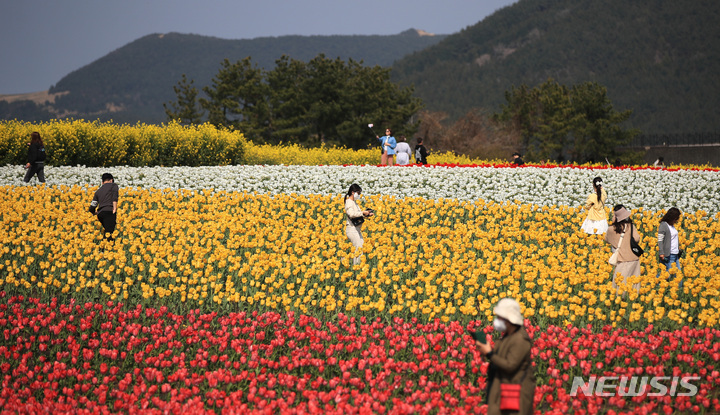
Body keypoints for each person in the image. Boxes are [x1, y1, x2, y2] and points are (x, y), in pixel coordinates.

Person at [474, 298, 535, 415]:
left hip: (515, 394)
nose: (496, 321)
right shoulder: (508, 336)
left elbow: (510, 365)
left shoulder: (520, 340)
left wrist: (490, 353)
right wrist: (485, 350)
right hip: (503, 389)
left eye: (499, 318)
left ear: (508, 320)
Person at [604, 205, 642, 295]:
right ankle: (633, 302)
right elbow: (637, 238)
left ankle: (620, 304)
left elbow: (607, 239)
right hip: (634, 259)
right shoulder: (631, 226)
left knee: (620, 285)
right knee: (634, 284)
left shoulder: (611, 230)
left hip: (622, 260)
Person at [344, 184, 373, 265]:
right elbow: (352, 214)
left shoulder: (354, 202)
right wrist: (362, 212)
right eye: (358, 193)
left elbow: (357, 215)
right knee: (358, 248)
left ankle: (358, 265)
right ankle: (356, 266)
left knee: (361, 247)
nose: (359, 195)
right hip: (352, 229)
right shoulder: (349, 202)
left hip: (356, 229)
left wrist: (366, 214)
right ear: (353, 192)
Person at [89, 173, 119, 242]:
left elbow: (92, 206)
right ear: (111, 180)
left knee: (108, 231)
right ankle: (102, 249)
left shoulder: (98, 191)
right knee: (109, 233)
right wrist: (114, 209)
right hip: (109, 212)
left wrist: (94, 212)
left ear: (102, 182)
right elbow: (115, 197)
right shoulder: (113, 186)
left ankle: (106, 248)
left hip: (100, 214)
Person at [657, 207, 683, 288]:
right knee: (667, 274)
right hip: (669, 254)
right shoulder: (664, 225)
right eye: (676, 218)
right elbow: (660, 240)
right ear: (672, 217)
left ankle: (678, 291)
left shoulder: (672, 226)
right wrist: (661, 252)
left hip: (675, 254)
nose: (676, 220)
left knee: (677, 274)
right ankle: (655, 284)